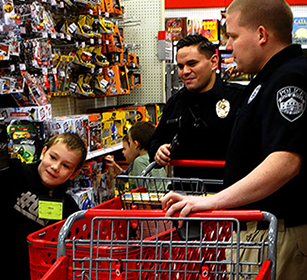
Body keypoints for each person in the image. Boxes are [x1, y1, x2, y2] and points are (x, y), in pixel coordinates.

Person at [161, 0, 307, 279]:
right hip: (262, 233)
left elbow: (285, 160)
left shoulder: (289, 78)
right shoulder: (268, 79)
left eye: (233, 36)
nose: (227, 46)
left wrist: (211, 201)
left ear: (261, 35)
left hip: (278, 234)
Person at [0, 105, 87, 280]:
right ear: (43, 152)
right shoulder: (13, 173)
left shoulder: (69, 208)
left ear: (74, 173)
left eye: (66, 166)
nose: (55, 167)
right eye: (53, 157)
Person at [149, 34, 245, 190]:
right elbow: (156, 140)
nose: (185, 71)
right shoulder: (175, 102)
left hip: (229, 196)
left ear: (214, 62)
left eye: (192, 63)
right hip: (184, 196)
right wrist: (158, 150)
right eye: (180, 66)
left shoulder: (239, 98)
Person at [106, 121, 167, 191]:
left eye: (129, 142)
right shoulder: (154, 156)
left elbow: (142, 189)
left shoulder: (139, 161)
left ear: (136, 144)